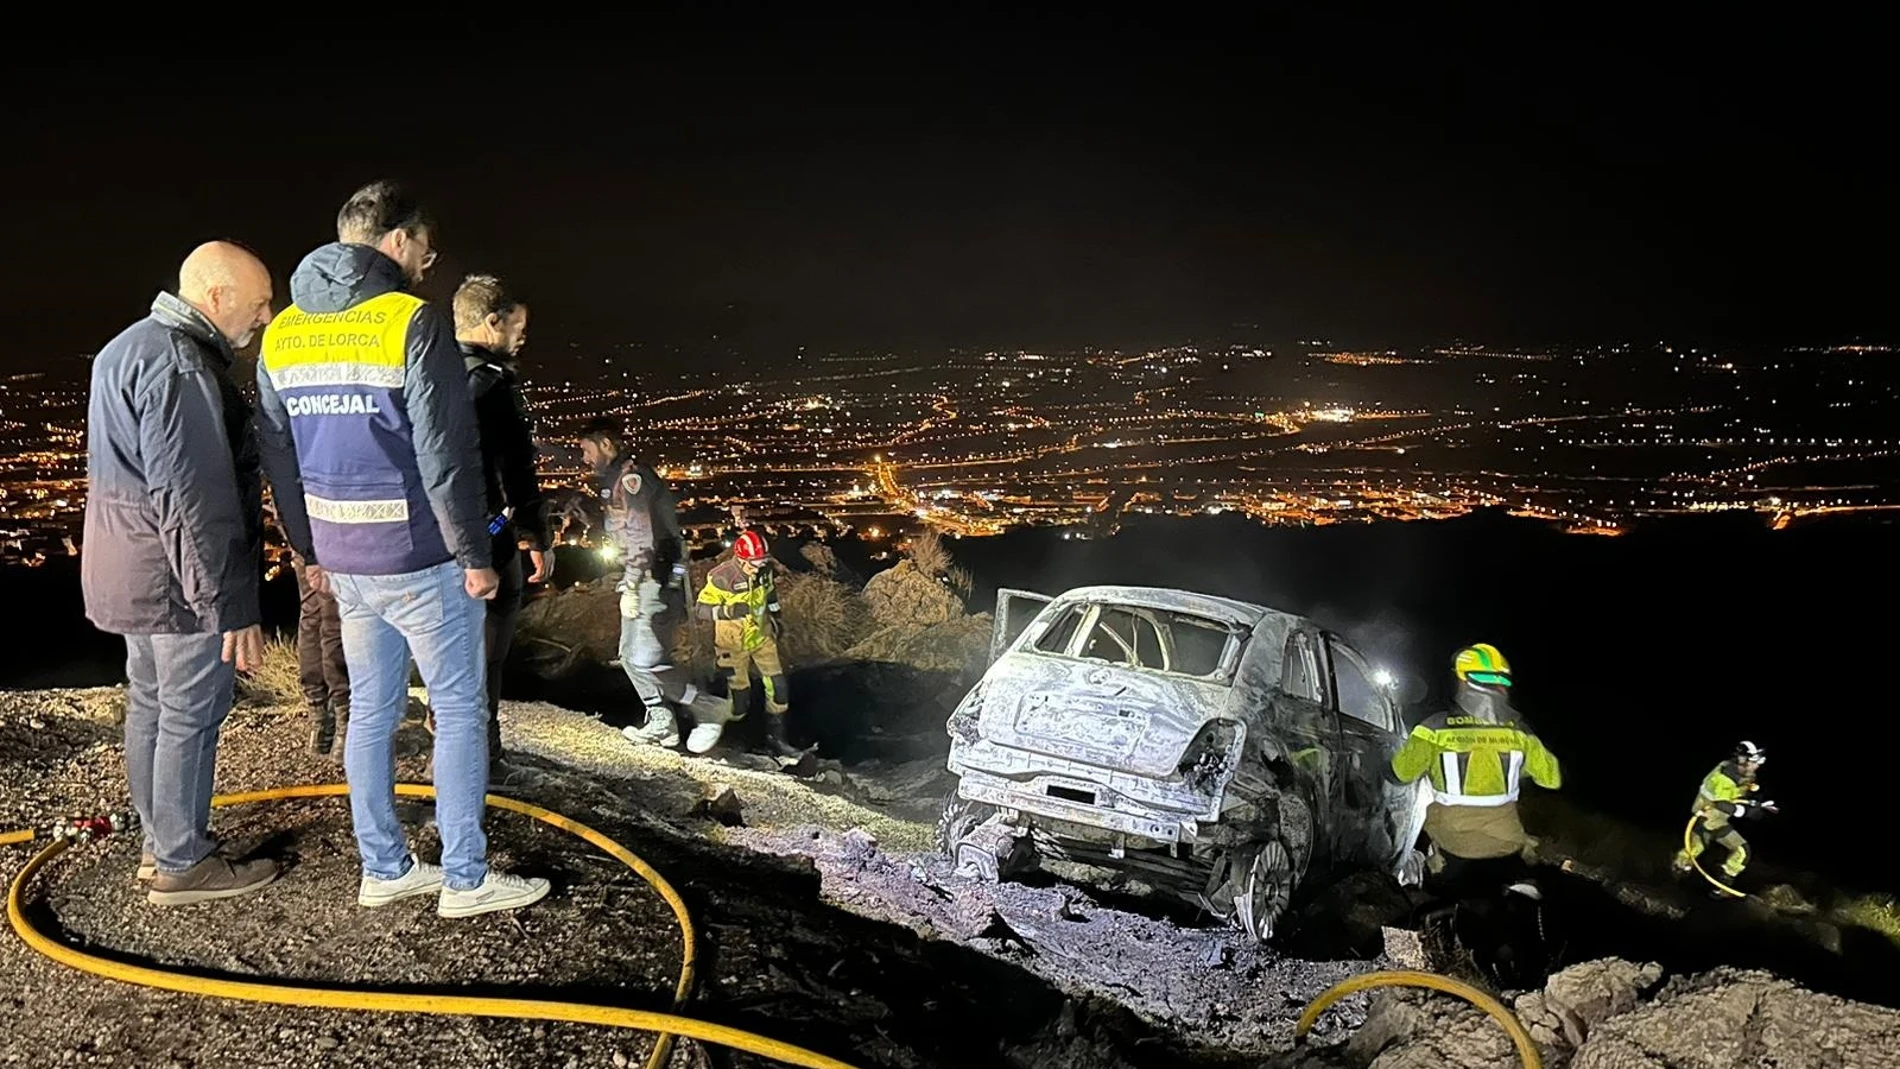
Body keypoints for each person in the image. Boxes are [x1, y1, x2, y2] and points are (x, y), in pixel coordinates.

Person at [255, 180, 547, 918]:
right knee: (456, 705)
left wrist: (307, 547)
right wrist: (474, 555)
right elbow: (446, 456)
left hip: (344, 562)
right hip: (420, 557)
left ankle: (384, 865)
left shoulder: (282, 333)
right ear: (396, 240)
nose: (426, 261)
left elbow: (278, 454)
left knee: (373, 712)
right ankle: (465, 876)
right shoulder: (411, 323)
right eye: (424, 246)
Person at [82, 240, 278, 905]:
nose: (265, 318)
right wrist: (229, 603)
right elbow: (194, 499)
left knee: (153, 706)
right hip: (178, 582)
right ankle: (182, 859)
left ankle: (159, 842)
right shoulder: (180, 364)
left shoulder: (125, 347)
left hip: (131, 570)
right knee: (191, 711)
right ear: (217, 297)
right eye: (258, 303)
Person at [575, 417, 731, 754]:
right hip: (643, 578)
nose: (584, 459)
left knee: (645, 658)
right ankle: (662, 723)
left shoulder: (632, 480)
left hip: (653, 580)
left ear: (606, 445)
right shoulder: (617, 481)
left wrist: (631, 585)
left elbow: (642, 539)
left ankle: (706, 707)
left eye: (587, 450)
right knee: (630, 657)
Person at [453, 273, 550, 778]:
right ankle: (483, 757)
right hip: (487, 534)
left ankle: (449, 731)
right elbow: (517, 466)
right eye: (517, 326)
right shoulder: (492, 384)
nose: (521, 337)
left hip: (434, 538)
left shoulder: (430, 375)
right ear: (493, 323)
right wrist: (535, 533)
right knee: (488, 650)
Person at [1390, 643, 1562, 868]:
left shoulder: (1432, 728)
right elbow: (1551, 779)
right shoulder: (1520, 733)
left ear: (1462, 682)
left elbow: (1401, 774)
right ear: (1502, 687)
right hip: (1506, 845)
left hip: (1451, 846)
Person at [696, 530, 802, 760]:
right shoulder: (722, 577)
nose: (757, 567)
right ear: (741, 559)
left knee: (778, 688)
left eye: (762, 561)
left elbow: (770, 594)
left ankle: (777, 739)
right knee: (740, 701)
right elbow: (701, 610)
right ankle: (729, 737)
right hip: (731, 645)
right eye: (753, 563)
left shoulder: (764, 571)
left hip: (761, 638)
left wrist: (777, 617)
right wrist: (728, 611)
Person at [268, 495, 351, 758]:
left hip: (295, 511)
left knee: (313, 611)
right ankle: (344, 725)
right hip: (327, 508)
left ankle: (320, 723)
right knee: (332, 616)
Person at [1673, 740, 1776, 883]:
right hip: (1711, 818)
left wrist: (1757, 803)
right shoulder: (1725, 778)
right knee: (1742, 851)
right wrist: (1744, 812)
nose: (1757, 765)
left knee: (1696, 847)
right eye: (1754, 761)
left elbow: (1738, 795)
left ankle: (1678, 869)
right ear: (1743, 760)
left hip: (1708, 818)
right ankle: (1723, 883)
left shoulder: (1740, 773)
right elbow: (1722, 803)